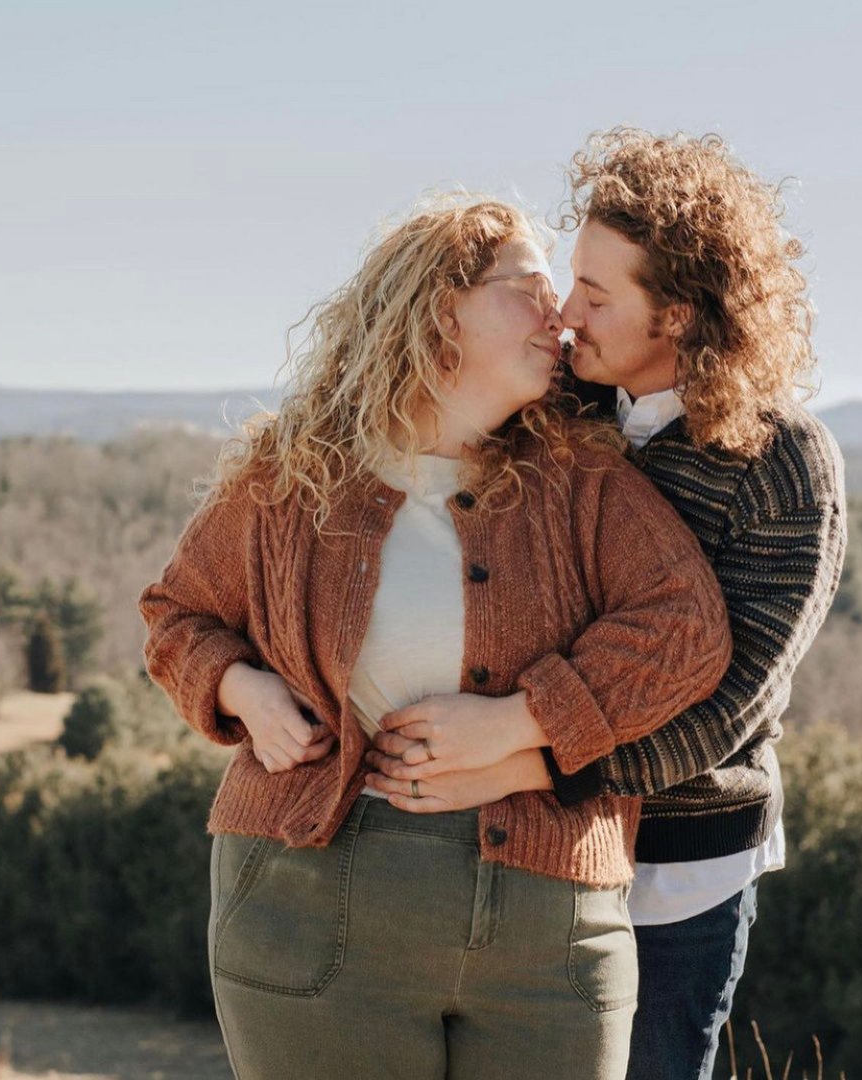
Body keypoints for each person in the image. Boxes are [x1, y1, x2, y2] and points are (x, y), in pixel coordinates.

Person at [138, 196, 732, 1080]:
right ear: (438, 306)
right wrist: (241, 691)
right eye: (530, 287)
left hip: (553, 926)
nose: (560, 313)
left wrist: (528, 719)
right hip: (312, 901)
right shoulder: (292, 477)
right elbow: (176, 614)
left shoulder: (583, 479)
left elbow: (686, 630)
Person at [368, 132, 847, 1080]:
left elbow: (730, 705)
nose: (565, 310)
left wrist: (522, 755)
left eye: (595, 293)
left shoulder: (784, 463)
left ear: (675, 312)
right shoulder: (561, 412)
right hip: (529, 845)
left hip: (678, 868)